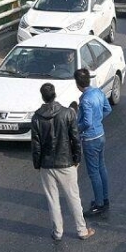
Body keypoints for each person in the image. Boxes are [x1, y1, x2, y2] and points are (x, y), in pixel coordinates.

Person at [31, 83, 94, 241]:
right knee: (73, 197)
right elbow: (75, 138)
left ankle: (57, 232)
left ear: (42, 96)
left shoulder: (36, 117)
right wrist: (77, 158)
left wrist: (37, 164)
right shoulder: (68, 113)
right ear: (55, 95)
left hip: (46, 164)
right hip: (66, 162)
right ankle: (81, 230)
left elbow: (36, 145)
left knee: (53, 200)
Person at [75, 68, 112, 217]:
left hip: (90, 139)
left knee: (93, 172)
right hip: (101, 134)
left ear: (77, 84)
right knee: (101, 167)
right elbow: (107, 109)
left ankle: (99, 203)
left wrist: (77, 129)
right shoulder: (98, 92)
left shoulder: (85, 99)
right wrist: (99, 120)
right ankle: (104, 198)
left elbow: (87, 122)